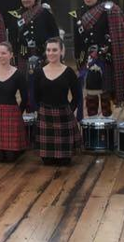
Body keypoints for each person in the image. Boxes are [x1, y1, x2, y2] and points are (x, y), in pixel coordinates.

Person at [74, 0, 124, 119]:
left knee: (105, 94)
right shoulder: (79, 13)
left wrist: (108, 51)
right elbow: (78, 40)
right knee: (91, 95)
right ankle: (92, 123)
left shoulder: (107, 11)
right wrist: (79, 60)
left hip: (104, 58)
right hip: (87, 59)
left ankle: (107, 123)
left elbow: (116, 33)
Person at [9, 0, 58, 112]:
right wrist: (13, 56)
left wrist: (53, 54)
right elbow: (13, 38)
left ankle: (44, 110)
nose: (26, 0)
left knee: (44, 84)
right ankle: (30, 112)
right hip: (24, 55)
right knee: (25, 86)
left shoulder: (44, 13)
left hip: (42, 55)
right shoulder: (16, 15)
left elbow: (54, 34)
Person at [34, 37, 82, 166]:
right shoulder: (39, 72)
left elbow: (77, 96)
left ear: (61, 51)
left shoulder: (69, 72)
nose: (51, 53)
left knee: (64, 162)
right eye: (48, 50)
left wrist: (68, 111)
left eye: (54, 50)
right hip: (45, 117)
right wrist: (40, 110)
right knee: (47, 162)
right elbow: (34, 96)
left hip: (64, 118)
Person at [0, 42, 30, 163]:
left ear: (11, 55)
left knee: (10, 158)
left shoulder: (19, 74)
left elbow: (25, 98)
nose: (0, 56)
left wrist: (17, 113)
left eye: (3, 53)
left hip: (12, 113)